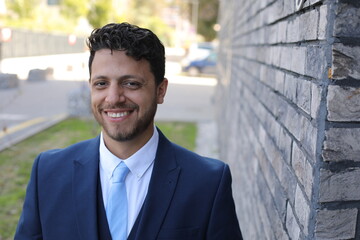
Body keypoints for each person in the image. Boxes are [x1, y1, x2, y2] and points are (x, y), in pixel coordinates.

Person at [15, 22, 243, 240]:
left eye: (131, 83)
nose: (113, 98)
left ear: (160, 91)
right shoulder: (48, 173)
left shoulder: (208, 183)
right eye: (101, 83)